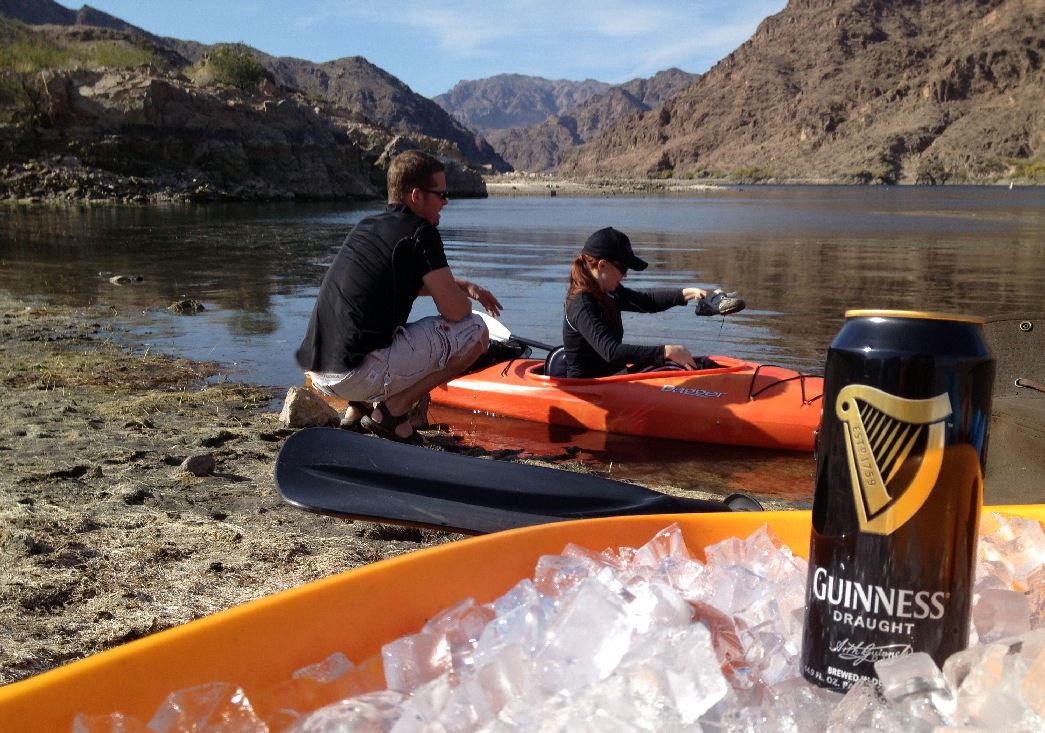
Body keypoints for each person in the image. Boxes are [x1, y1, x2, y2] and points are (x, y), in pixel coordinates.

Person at [296, 150, 502, 443]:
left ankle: (358, 409)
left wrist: (462, 284)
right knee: (475, 331)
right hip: (355, 376)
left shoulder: (367, 227)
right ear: (416, 195)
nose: (446, 202)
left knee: (374, 325)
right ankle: (393, 412)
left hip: (319, 374)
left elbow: (393, 284)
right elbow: (456, 313)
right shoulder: (421, 232)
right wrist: (461, 297)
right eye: (441, 194)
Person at [561, 227, 709, 378]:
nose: (625, 275)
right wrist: (666, 351)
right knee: (678, 366)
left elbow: (647, 302)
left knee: (697, 365)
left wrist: (688, 293)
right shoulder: (582, 304)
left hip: (613, 378)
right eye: (623, 268)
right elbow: (611, 351)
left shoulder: (608, 291)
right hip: (589, 387)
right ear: (602, 265)